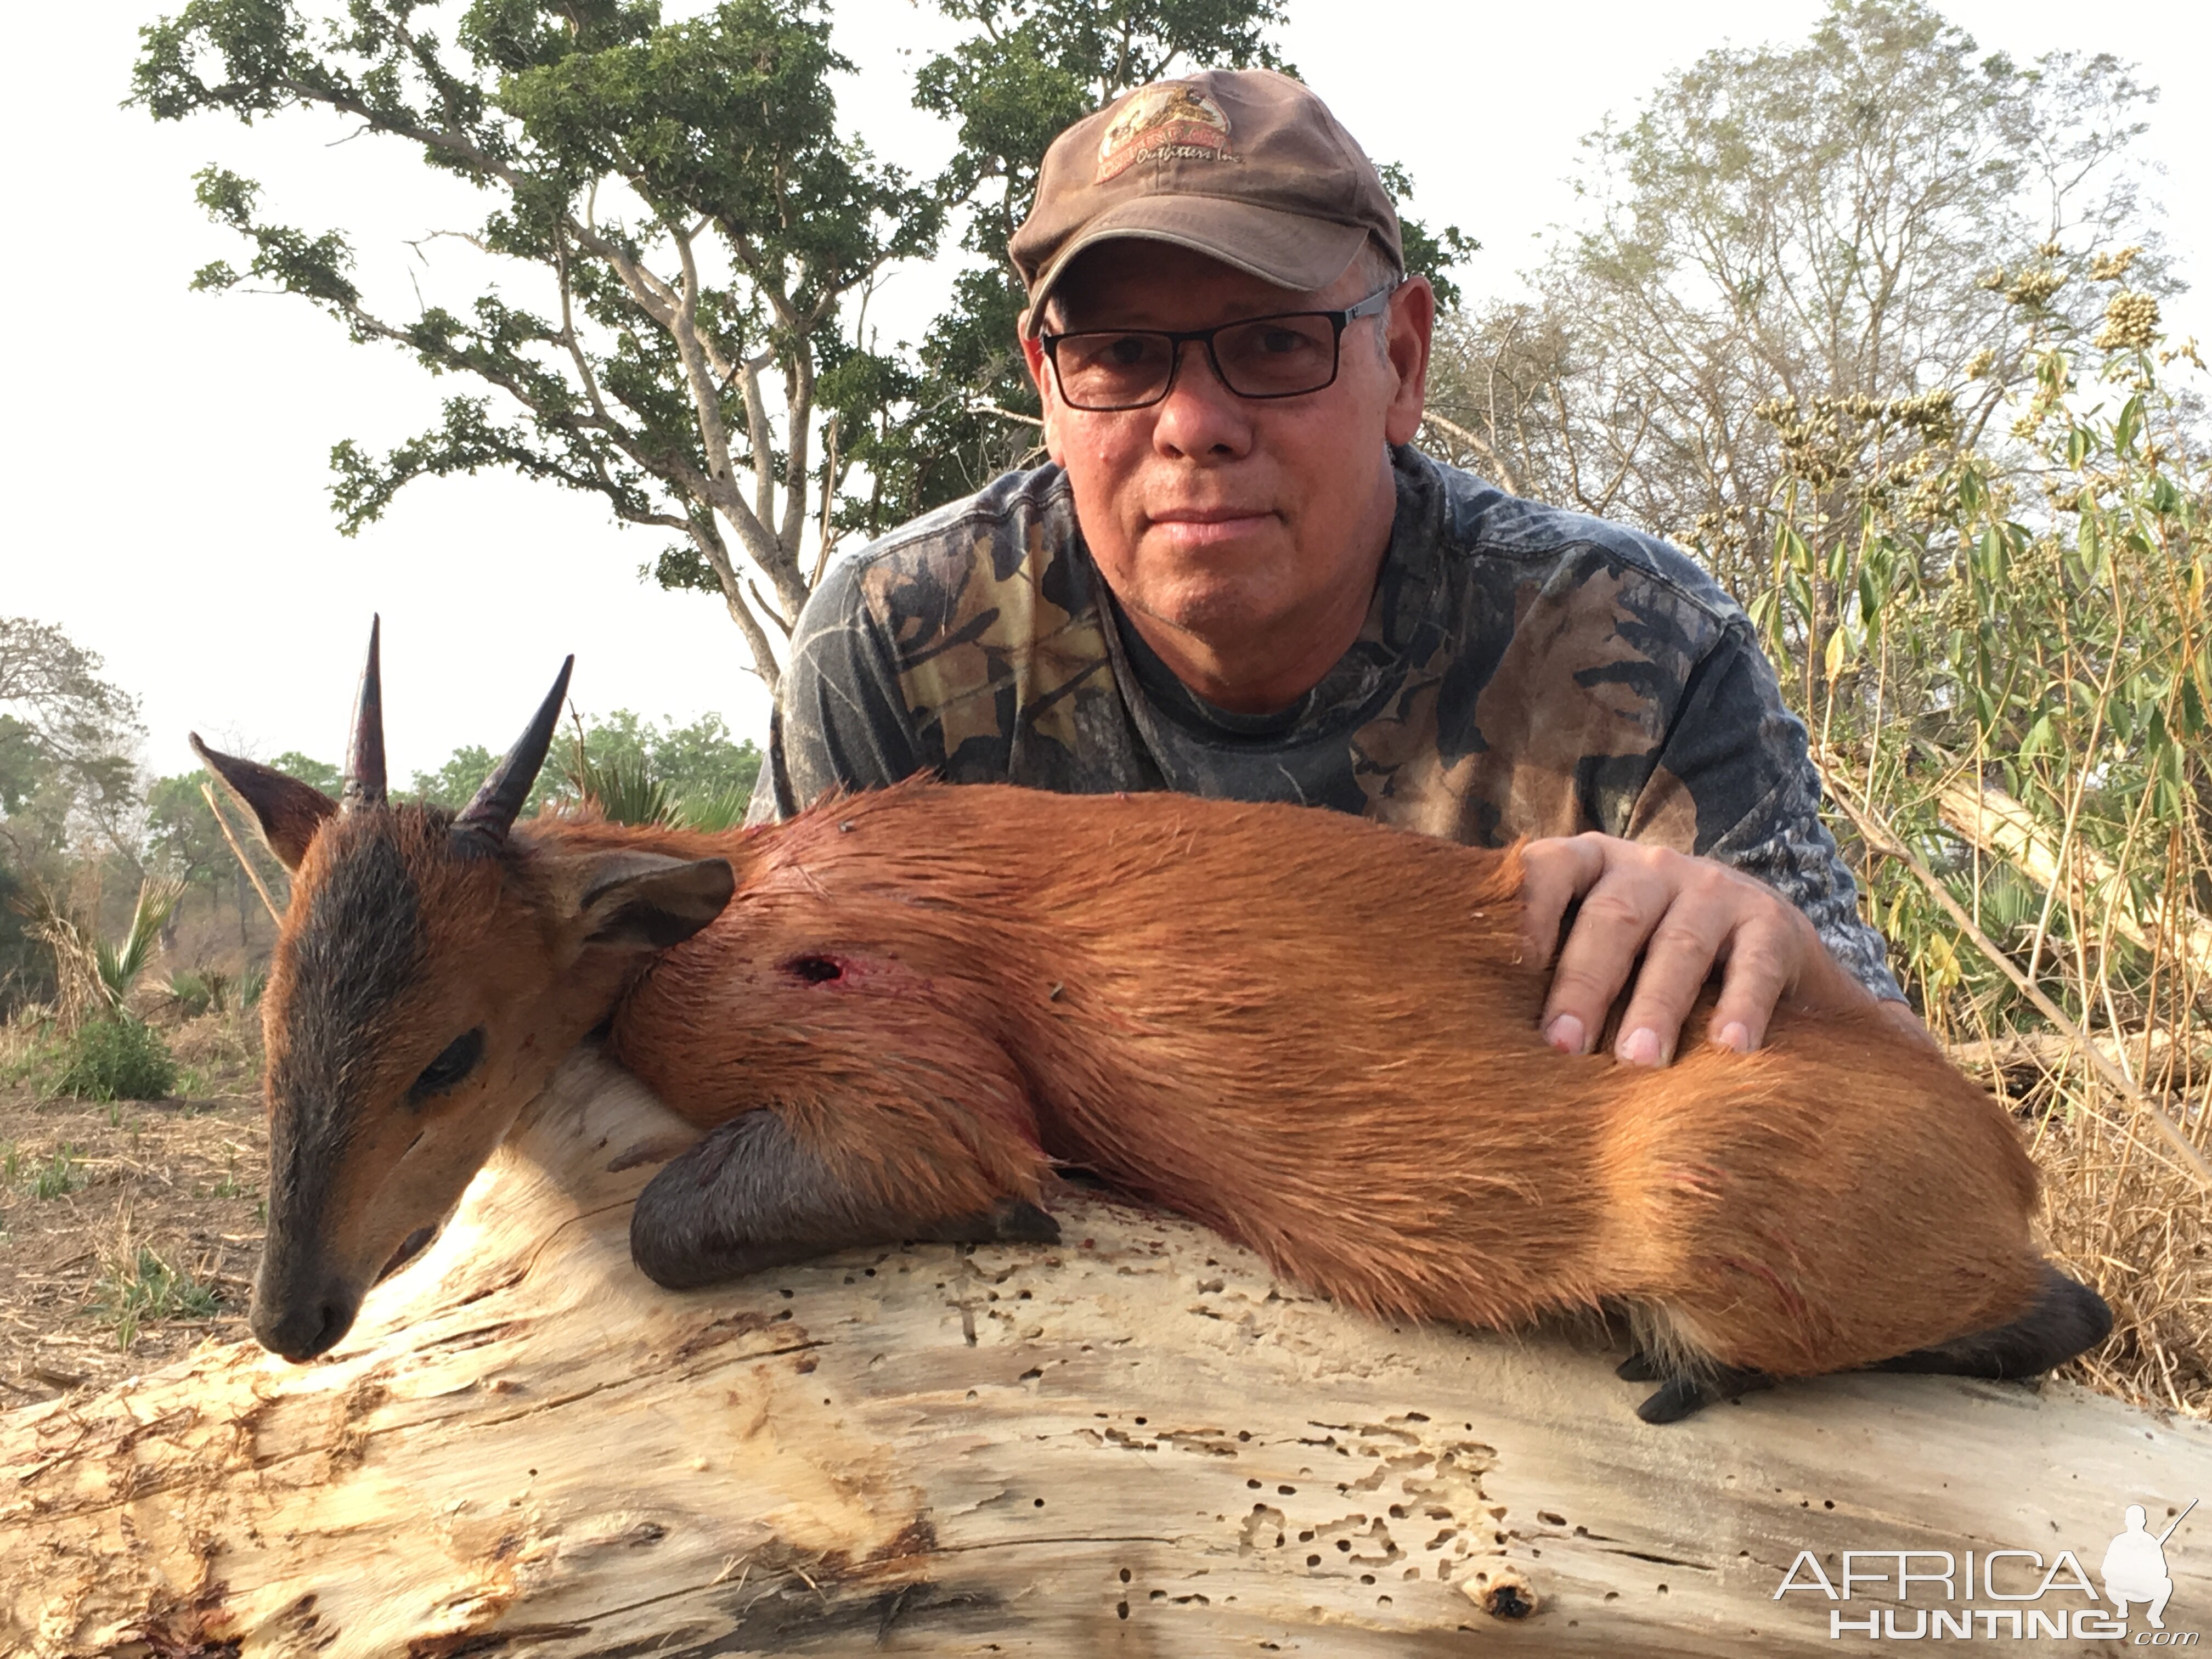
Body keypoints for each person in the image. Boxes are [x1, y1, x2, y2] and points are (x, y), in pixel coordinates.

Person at [749, 67, 1922, 1064]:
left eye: (1274, 342)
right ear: (1047, 391)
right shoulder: (893, 644)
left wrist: (1787, 963)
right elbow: (763, 1037)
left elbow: (1903, 1118)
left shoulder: (1638, 641)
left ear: (1402, 361)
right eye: (1118, 356)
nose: (1195, 422)